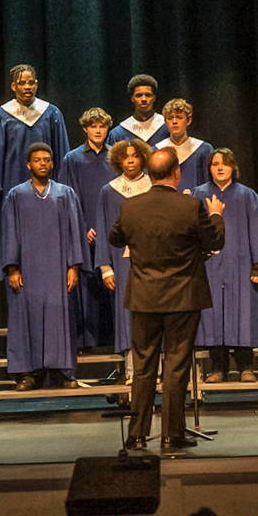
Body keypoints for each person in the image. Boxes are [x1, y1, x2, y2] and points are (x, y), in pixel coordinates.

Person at [108, 147, 226, 454]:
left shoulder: (130, 206)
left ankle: (137, 435)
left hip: (144, 297)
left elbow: (115, 238)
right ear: (177, 173)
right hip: (183, 297)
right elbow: (214, 240)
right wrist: (216, 214)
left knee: (143, 366)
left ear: (149, 174)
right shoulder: (190, 206)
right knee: (176, 366)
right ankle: (172, 435)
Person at [0, 143, 87, 391]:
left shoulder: (64, 194)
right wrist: (13, 268)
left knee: (59, 318)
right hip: (28, 270)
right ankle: (28, 373)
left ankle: (62, 372)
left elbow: (74, 232)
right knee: (27, 318)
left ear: (52, 163)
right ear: (29, 165)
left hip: (58, 269)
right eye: (37, 160)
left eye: (47, 159)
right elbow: (9, 233)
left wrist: (73, 266)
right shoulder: (16, 195)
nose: (43, 163)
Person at [193, 148, 258, 382]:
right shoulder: (199, 194)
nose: (220, 167)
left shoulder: (247, 195)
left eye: (225, 163)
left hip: (240, 265)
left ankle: (246, 367)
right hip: (209, 266)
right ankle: (217, 368)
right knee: (213, 316)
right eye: (215, 163)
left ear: (233, 167)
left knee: (242, 315)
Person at [57, 108, 118, 350]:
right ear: (85, 129)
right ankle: (87, 342)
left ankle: (115, 341)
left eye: (102, 126)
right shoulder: (72, 159)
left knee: (112, 284)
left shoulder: (116, 157)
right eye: (93, 126)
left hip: (113, 234)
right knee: (87, 286)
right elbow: (67, 198)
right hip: (85, 233)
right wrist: (82, 229)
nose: (98, 131)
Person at [0, 64, 70, 210]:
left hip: (48, 187)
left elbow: (61, 153)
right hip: (12, 183)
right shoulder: (1, 116)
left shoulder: (51, 113)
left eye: (31, 82)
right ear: (13, 86)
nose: (27, 87)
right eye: (22, 83)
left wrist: (64, 186)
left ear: (36, 84)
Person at [96, 139, 154, 357]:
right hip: (121, 261)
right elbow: (103, 228)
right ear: (118, 160)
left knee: (151, 307)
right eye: (126, 156)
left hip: (152, 259)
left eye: (135, 156)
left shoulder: (153, 187)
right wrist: (105, 268)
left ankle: (156, 365)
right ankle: (132, 367)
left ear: (143, 159)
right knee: (126, 308)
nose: (130, 161)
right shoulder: (109, 191)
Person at [156, 98, 211, 192]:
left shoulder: (204, 150)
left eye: (179, 117)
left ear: (188, 121)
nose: (174, 121)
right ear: (165, 122)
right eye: (170, 118)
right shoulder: (157, 151)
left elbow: (210, 184)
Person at [106, 74, 169, 146]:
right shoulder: (118, 133)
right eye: (139, 95)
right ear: (132, 98)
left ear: (154, 98)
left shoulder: (167, 127)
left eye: (148, 95)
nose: (144, 99)